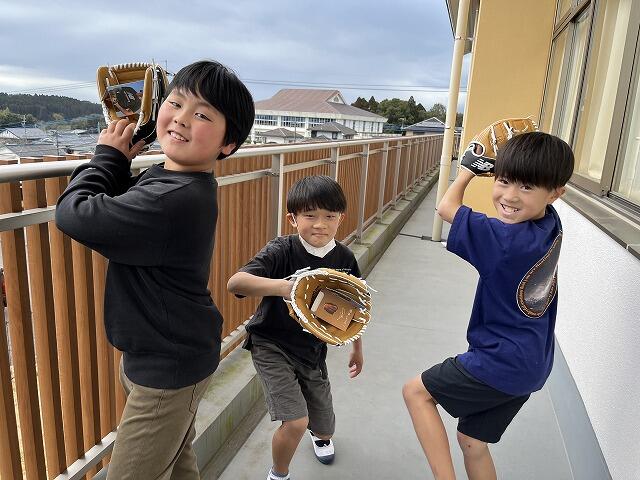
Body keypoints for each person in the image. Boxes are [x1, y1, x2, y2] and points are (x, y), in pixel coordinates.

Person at [55, 60, 254, 480]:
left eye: (202, 115)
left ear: (228, 144)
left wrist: (107, 156)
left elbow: (75, 214)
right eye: (175, 103)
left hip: (166, 369)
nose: (181, 118)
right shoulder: (169, 178)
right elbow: (118, 207)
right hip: (162, 354)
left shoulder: (172, 199)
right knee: (177, 465)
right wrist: (122, 158)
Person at [402, 131, 574, 480]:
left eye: (526, 187)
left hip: (500, 362)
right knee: (472, 440)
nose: (509, 196)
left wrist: (467, 169)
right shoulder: (550, 223)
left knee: (416, 393)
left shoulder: (504, 240)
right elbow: (528, 196)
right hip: (533, 364)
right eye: (503, 181)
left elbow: (445, 207)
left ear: (555, 193)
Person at [227, 175, 364, 480]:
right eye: (310, 215)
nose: (320, 224)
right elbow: (236, 283)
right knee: (296, 421)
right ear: (292, 219)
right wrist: (285, 287)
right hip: (271, 343)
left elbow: (355, 309)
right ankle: (279, 474)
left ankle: (320, 435)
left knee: (324, 426)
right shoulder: (282, 249)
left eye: (330, 216)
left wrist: (357, 348)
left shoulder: (345, 258)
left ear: (341, 218)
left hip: (312, 351)